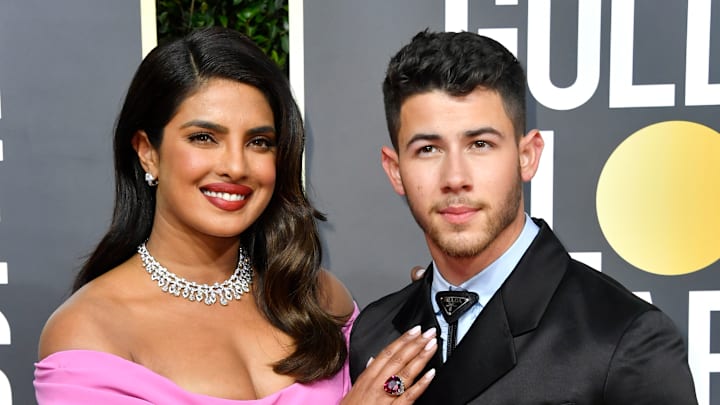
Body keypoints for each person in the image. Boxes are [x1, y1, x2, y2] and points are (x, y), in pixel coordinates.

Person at [34, 27, 436, 404]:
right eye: (204, 138)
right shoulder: (90, 332)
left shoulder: (317, 297)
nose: (236, 166)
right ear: (147, 152)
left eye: (259, 142)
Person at [348, 30, 698, 404]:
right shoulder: (374, 330)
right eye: (428, 148)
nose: (455, 178)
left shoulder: (624, 338)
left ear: (527, 155)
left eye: (480, 144)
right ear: (395, 169)